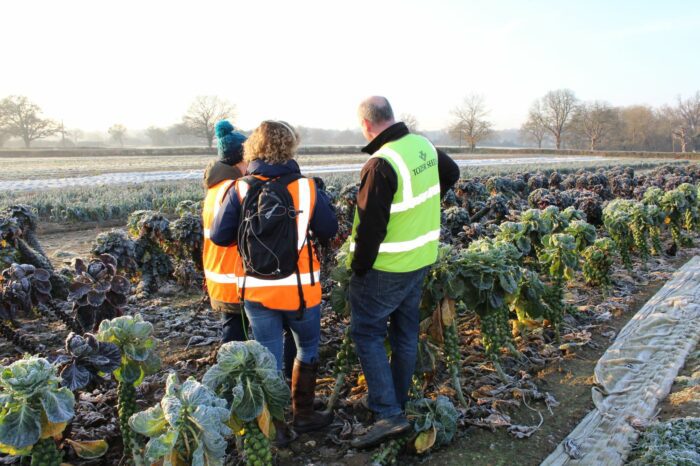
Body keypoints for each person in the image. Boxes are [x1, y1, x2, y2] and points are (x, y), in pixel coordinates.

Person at [210, 120, 338, 434]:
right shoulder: (306, 187)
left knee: (266, 357)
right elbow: (329, 229)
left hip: (256, 291)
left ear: (252, 147)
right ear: (290, 146)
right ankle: (304, 414)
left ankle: (276, 425)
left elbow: (219, 236)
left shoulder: (239, 188)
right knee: (307, 349)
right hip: (300, 291)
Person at [349, 97, 459, 449]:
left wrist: (359, 269)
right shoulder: (422, 145)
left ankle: (387, 412)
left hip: (387, 267)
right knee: (405, 332)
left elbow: (370, 229)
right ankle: (396, 403)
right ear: (391, 117)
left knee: (366, 332)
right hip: (420, 258)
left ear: (367, 125)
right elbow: (452, 172)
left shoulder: (381, 164)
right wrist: (424, 208)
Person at [202, 120, 248, 343]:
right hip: (235, 278)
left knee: (233, 333)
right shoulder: (234, 189)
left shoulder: (215, 187)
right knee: (238, 341)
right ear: (242, 158)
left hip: (220, 274)